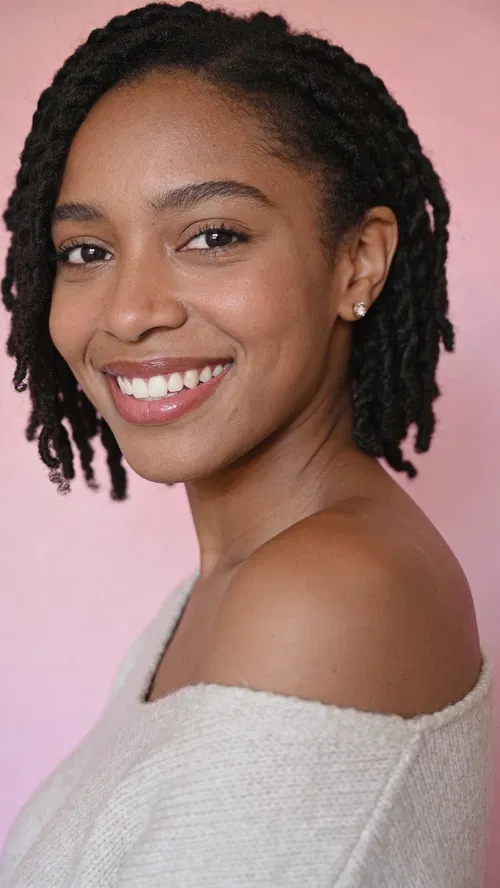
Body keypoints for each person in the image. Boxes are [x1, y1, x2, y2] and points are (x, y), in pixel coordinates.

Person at [0, 2, 493, 886]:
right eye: (85, 250)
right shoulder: (215, 592)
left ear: (358, 263)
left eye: (213, 236)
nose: (128, 309)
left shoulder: (329, 592)